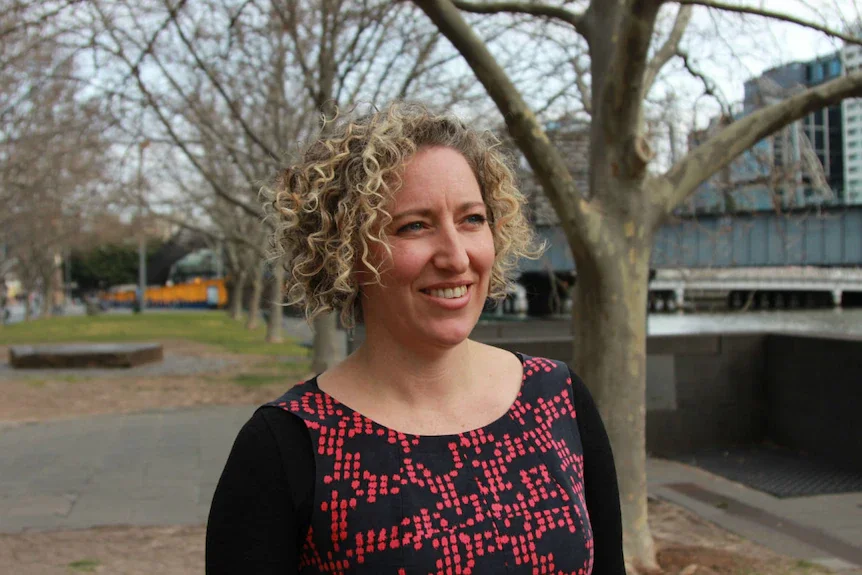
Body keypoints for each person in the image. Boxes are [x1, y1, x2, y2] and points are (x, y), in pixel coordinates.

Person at [206, 102, 625, 574]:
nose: (456, 256)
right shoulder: (285, 446)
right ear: (347, 252)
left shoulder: (560, 399)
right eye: (415, 226)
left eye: (472, 219)